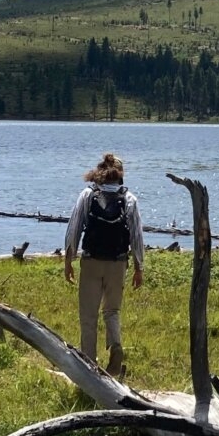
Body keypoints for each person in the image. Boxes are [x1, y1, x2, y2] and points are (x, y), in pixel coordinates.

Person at [63, 152, 145, 376]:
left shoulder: (88, 195)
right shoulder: (129, 199)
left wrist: (68, 260)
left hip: (91, 261)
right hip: (118, 263)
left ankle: (89, 366)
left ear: (100, 172)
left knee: (88, 316)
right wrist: (139, 267)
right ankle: (116, 346)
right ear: (120, 175)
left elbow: (74, 228)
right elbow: (137, 236)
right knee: (112, 311)